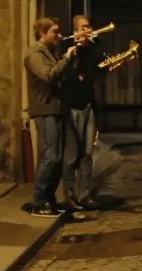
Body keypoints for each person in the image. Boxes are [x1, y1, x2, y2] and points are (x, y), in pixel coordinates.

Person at [24, 16, 78, 217]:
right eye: (55, 31)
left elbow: (63, 76)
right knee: (51, 156)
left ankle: (49, 200)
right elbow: (49, 76)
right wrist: (66, 58)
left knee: (60, 157)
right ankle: (39, 202)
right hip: (45, 109)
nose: (59, 35)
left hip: (57, 109)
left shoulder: (49, 52)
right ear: (42, 33)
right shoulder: (34, 54)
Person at [59, 14, 105, 209]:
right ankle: (69, 194)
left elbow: (99, 70)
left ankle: (84, 194)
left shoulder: (92, 49)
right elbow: (65, 74)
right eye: (82, 27)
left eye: (88, 26)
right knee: (72, 153)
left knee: (87, 152)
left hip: (88, 104)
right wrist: (75, 50)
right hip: (72, 105)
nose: (87, 30)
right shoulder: (66, 47)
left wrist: (91, 46)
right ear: (76, 30)